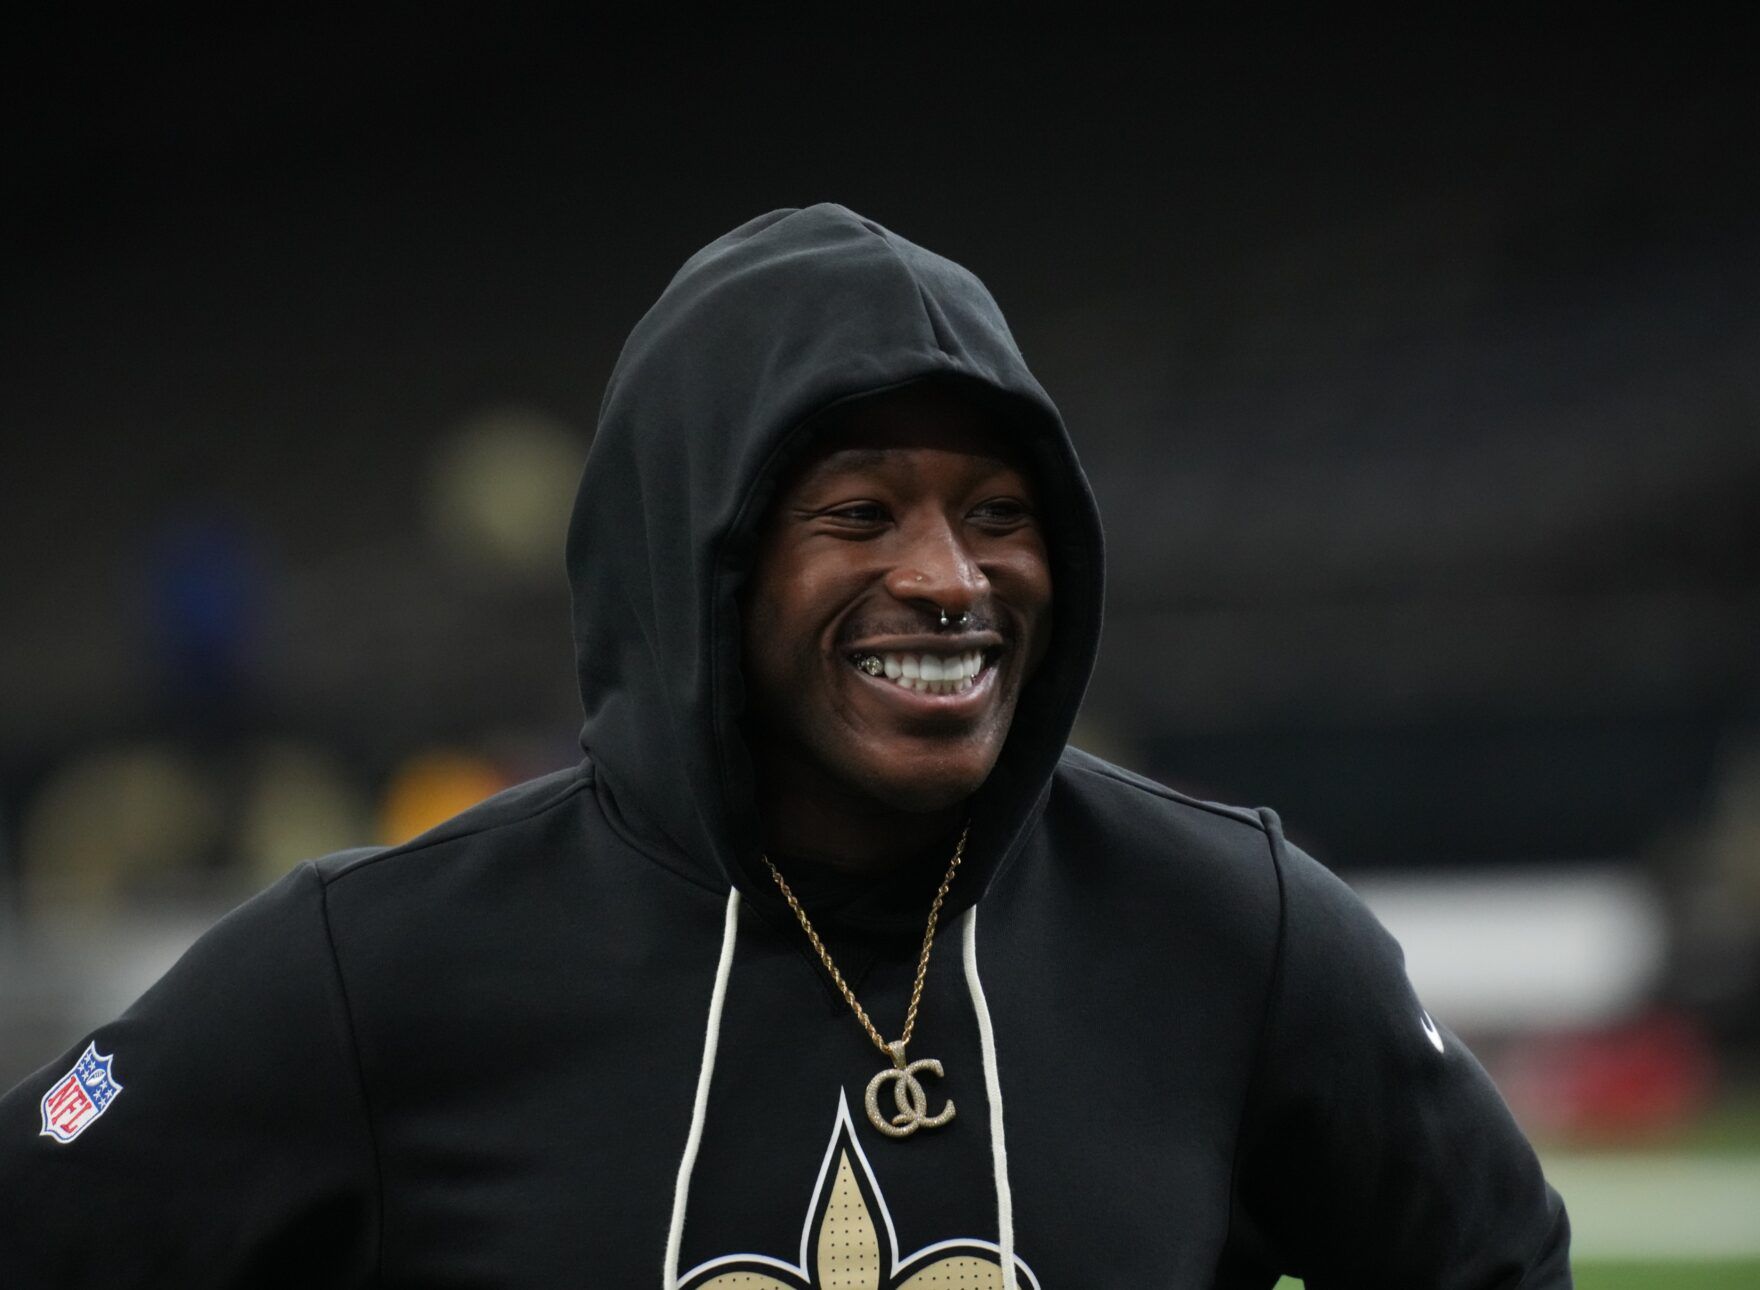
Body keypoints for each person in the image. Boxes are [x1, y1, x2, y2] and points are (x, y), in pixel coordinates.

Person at [1, 204, 1571, 1287]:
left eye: (1000, 512)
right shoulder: (366, 969)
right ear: (709, 564)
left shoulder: (1236, 926)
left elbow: (1495, 1257)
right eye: (860, 511)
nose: (952, 576)